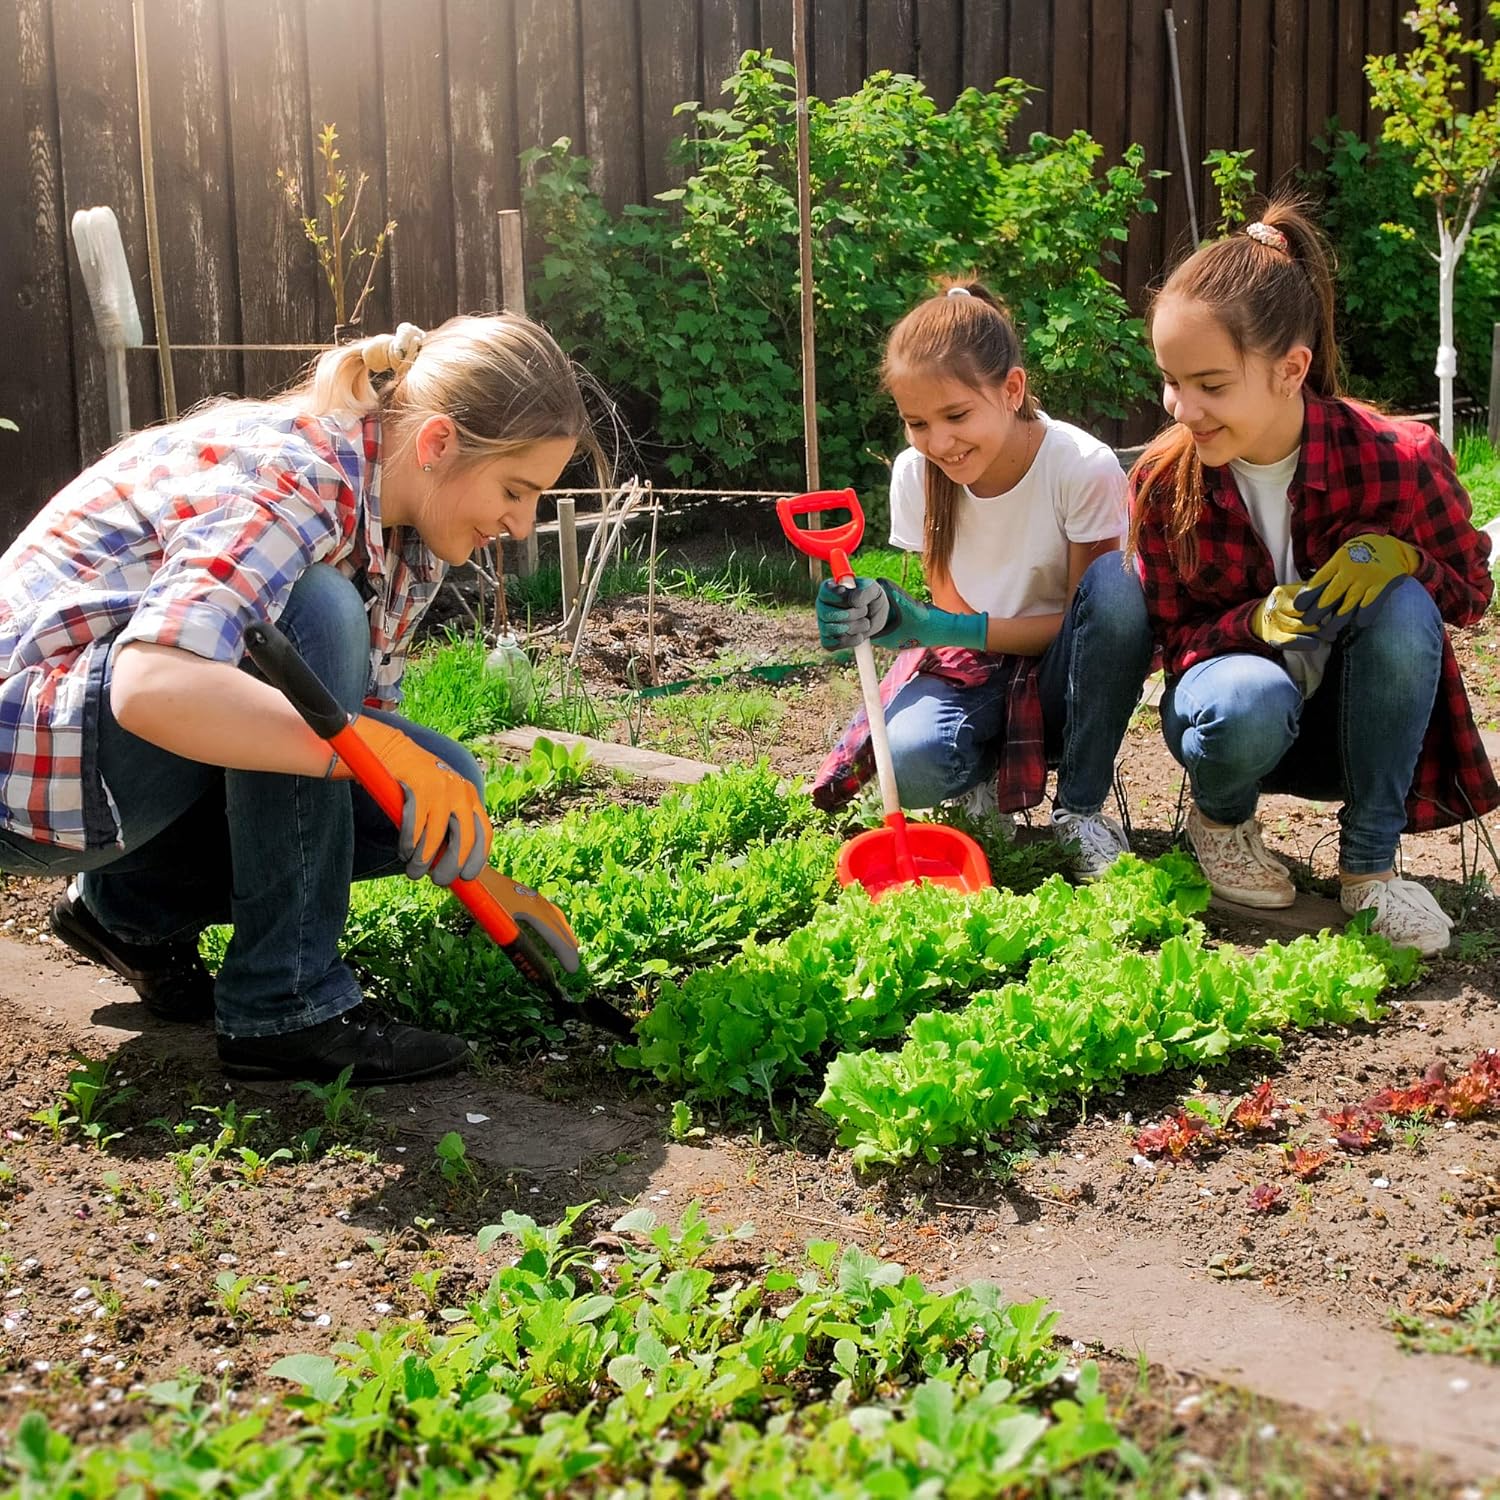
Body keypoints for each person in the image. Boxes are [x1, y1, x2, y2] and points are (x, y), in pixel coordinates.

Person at [0, 314, 604, 1080]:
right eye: (516, 491)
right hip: (28, 760)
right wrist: (367, 748)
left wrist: (491, 883)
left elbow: (356, 729)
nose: (521, 526)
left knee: (441, 784)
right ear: (439, 443)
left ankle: (127, 914)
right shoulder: (297, 475)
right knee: (314, 610)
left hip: (101, 770)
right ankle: (283, 1006)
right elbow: (150, 685)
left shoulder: (405, 531)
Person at [1128, 200, 1497, 954]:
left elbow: (1468, 596)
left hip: (1357, 737)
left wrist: (1410, 561)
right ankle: (1222, 823)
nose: (1183, 409)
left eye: (1211, 385)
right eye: (1170, 381)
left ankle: (1370, 871)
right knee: (1247, 696)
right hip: (1235, 726)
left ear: (1290, 368)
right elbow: (1171, 641)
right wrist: (1252, 623)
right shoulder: (1165, 482)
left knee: (1401, 604)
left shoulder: (1398, 458)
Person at [810, 281, 1153, 879]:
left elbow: (1091, 625)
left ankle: (1080, 811)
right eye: (917, 422)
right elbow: (947, 608)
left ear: (1012, 389)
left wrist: (938, 626)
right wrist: (887, 617)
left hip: (1068, 669)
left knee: (1123, 594)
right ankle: (981, 782)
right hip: (976, 662)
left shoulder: (1079, 467)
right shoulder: (918, 473)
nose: (939, 441)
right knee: (909, 763)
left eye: (957, 415)